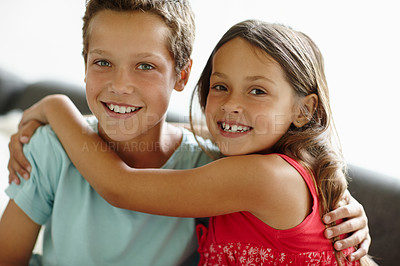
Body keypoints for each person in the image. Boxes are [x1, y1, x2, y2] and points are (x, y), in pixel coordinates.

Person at [2, 18, 374, 265]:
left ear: (304, 110)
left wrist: (57, 106)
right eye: (220, 87)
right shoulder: (238, 165)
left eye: (257, 91)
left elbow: (119, 187)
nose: (231, 105)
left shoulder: (266, 177)